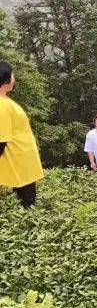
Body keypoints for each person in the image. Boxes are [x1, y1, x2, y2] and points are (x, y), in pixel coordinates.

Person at [0, 61, 44, 209]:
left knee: (24, 201)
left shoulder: (5, 101)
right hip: (18, 161)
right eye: (12, 74)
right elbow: (1, 139)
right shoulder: (2, 105)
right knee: (27, 203)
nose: (14, 78)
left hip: (22, 160)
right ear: (5, 78)